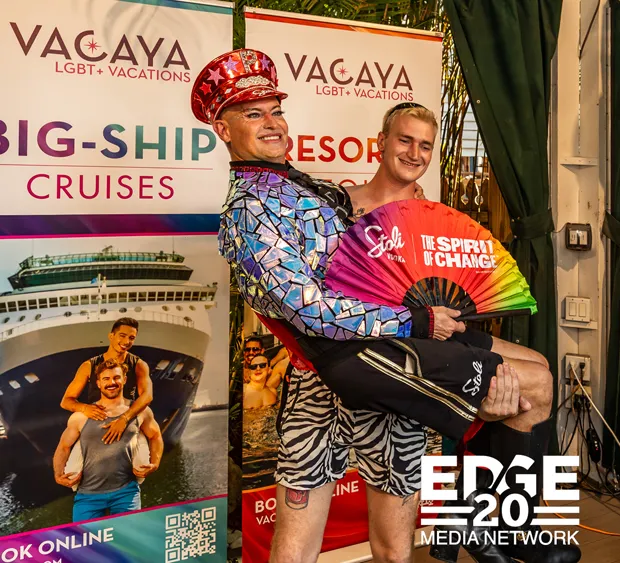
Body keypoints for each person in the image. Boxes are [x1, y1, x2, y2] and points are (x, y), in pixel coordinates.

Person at [192, 49, 577, 563]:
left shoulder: (312, 189)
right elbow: (308, 309)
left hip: (382, 346)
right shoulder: (251, 206)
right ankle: (484, 522)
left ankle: (491, 520)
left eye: (275, 111)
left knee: (535, 376)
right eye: (253, 114)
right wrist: (415, 318)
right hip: (343, 361)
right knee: (299, 539)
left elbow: (376, 273)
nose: (272, 123)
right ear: (223, 128)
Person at [53, 360, 163, 521]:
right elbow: (63, 446)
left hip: (126, 492)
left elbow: (155, 436)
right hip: (88, 495)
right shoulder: (81, 416)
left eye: (116, 377)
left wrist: (155, 463)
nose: (112, 382)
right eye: (106, 379)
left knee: (128, 537)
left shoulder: (140, 412)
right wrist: (58, 475)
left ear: (124, 379)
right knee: (84, 537)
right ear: (98, 383)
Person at [60, 317, 152, 444]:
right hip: (96, 425)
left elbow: (147, 396)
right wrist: (84, 408)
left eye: (131, 338)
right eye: (122, 336)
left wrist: (124, 419)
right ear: (111, 336)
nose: (126, 341)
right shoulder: (88, 366)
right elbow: (66, 401)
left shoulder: (139, 365)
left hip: (125, 425)